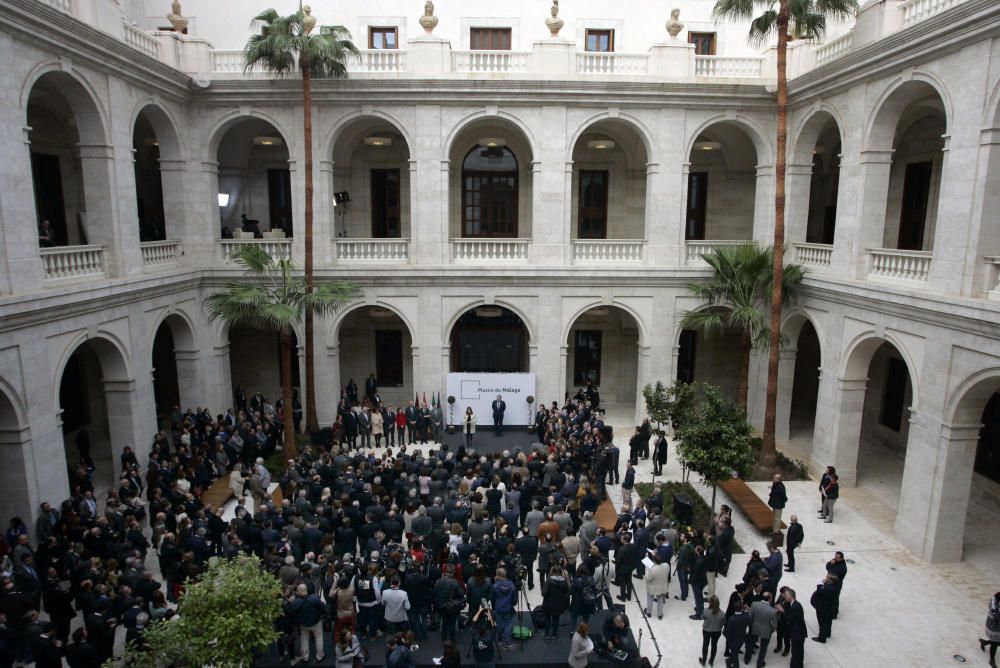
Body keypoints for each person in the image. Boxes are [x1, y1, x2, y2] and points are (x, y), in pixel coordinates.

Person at [744, 592, 776, 668]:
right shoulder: (773, 611)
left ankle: (747, 659)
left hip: (754, 628)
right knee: (763, 648)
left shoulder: (754, 604)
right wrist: (770, 630)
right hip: (766, 631)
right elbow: (774, 625)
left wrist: (751, 625)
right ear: (769, 599)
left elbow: (750, 616)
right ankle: (759, 663)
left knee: (750, 644)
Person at [541, 563, 570, 641]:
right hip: (559, 604)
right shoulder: (564, 582)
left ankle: (547, 634)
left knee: (547, 619)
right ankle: (554, 634)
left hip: (548, 604)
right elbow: (567, 593)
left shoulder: (548, 581)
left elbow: (544, 593)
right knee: (556, 619)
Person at [781, 588, 807, 668]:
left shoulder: (795, 607)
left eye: (785, 595)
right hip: (800, 632)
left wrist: (782, 611)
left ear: (790, 596)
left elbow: (790, 619)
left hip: (797, 634)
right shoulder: (794, 604)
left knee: (796, 652)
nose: (784, 597)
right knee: (799, 651)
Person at [810, 574, 838, 643]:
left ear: (830, 580)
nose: (825, 578)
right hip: (827, 607)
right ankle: (827, 633)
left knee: (822, 623)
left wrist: (821, 583)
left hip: (823, 608)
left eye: (827, 578)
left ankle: (822, 638)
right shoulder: (832, 586)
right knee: (828, 621)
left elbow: (820, 591)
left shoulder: (830, 589)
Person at [699, 595, 725, 666]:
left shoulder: (706, 611)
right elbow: (723, 623)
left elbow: (702, 617)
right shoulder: (722, 613)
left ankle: (704, 661)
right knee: (714, 645)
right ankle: (711, 661)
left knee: (705, 645)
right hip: (717, 631)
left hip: (707, 631)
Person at [723, 602, 750, 668]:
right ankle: (729, 661)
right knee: (735, 652)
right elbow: (750, 623)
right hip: (742, 638)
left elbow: (728, 632)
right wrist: (746, 612)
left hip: (733, 640)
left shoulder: (731, 619)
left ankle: (734, 665)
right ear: (742, 608)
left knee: (735, 655)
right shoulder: (746, 616)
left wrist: (724, 633)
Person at [643, 553, 669, 620]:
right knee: (660, 600)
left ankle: (648, 612)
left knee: (650, 599)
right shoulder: (666, 565)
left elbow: (647, 579)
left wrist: (647, 569)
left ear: (654, 561)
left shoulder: (653, 569)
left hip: (652, 587)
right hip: (662, 586)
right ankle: (660, 614)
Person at [980, 592, 1000, 668]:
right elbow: (995, 614)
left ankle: (985, 642)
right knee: (995, 643)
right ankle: (991, 660)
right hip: (994, 625)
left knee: (997, 642)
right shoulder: (994, 600)